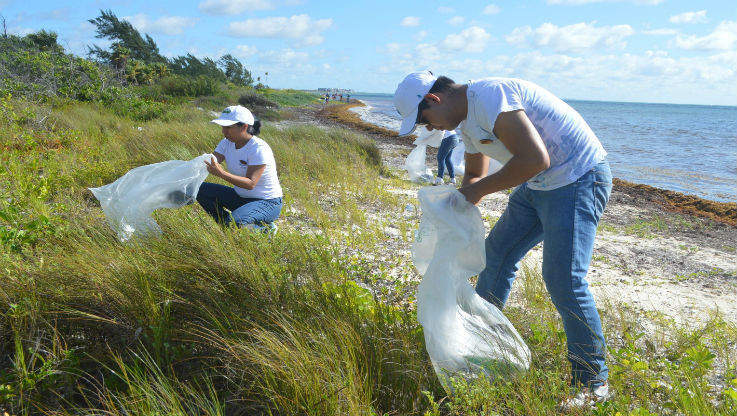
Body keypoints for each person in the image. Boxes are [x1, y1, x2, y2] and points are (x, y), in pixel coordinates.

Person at [394, 71, 612, 410]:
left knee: (563, 278)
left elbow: (536, 159)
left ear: (434, 100)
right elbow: (476, 177)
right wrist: (457, 203)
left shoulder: (490, 96)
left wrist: (474, 192)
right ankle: (483, 343)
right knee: (494, 255)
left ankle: (592, 382)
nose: (431, 129)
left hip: (577, 179)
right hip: (538, 185)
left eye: (425, 120)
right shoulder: (465, 122)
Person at [197, 105, 283, 232]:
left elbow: (250, 183)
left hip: (268, 203)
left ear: (244, 127)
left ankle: (264, 229)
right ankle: (230, 224)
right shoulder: (226, 142)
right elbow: (211, 162)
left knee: (234, 223)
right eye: (223, 127)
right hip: (240, 198)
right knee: (200, 189)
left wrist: (221, 173)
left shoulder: (258, 148)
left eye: (228, 127)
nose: (224, 132)